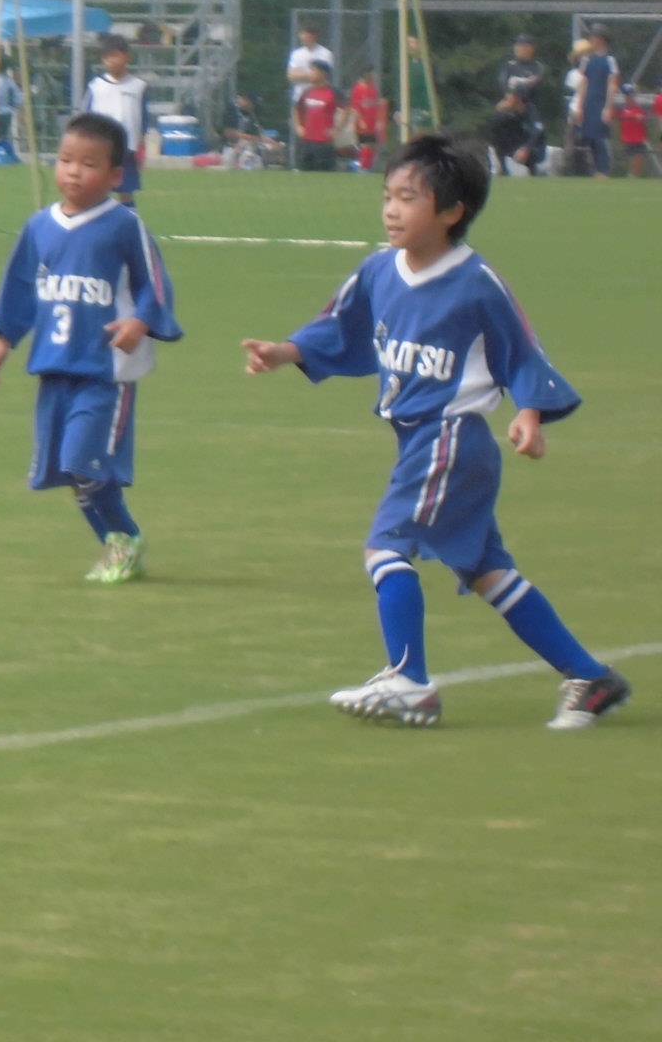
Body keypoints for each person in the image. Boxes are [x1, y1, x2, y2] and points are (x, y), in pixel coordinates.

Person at [242, 136, 631, 730]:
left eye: (410, 198)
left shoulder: (475, 282)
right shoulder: (378, 270)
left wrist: (529, 413)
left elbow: (521, 352)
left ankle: (409, 681)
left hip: (451, 438)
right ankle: (590, 676)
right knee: (486, 572)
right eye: (388, 196)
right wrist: (283, 350)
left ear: (452, 212)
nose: (392, 209)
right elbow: (338, 328)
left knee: (385, 546)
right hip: (420, 442)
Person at [0, 112, 182, 585]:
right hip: (55, 367)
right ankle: (118, 544)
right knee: (71, 472)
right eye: (66, 159)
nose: (73, 171)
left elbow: (156, 284)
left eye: (88, 163)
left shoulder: (123, 225)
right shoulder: (38, 227)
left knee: (82, 461)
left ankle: (125, 538)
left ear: (116, 176)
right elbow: (20, 288)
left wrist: (139, 320)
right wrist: (3, 341)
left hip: (105, 372)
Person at [80, 34, 148, 203]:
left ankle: (128, 224)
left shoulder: (139, 86)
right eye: (107, 57)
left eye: (115, 55)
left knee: (126, 191)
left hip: (127, 149)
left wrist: (140, 146)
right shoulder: (96, 86)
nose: (111, 60)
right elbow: (85, 117)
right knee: (99, 189)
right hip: (101, 149)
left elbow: (143, 119)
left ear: (127, 57)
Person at [572, 28, 619, 177]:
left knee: (599, 137)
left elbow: (612, 84)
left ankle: (603, 169)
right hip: (588, 103)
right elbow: (583, 84)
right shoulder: (587, 60)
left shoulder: (610, 60)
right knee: (587, 136)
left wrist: (608, 106)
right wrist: (579, 106)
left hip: (601, 103)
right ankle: (588, 170)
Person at [499, 34, 548, 171]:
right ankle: (502, 164)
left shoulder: (537, 67)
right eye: (517, 45)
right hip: (512, 107)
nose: (517, 48)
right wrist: (510, 96)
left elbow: (533, 84)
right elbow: (503, 84)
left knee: (535, 132)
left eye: (521, 45)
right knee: (499, 122)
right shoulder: (509, 66)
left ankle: (532, 163)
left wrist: (520, 85)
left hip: (530, 108)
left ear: (530, 48)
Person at [294, 74, 343, 172]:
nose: (310, 74)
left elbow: (346, 109)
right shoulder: (307, 91)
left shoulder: (333, 91)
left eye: (313, 71)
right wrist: (298, 126)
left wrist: (337, 128)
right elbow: (296, 108)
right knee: (304, 170)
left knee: (326, 171)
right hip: (307, 140)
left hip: (324, 141)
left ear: (323, 73)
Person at [347, 67, 389, 172]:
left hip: (372, 122)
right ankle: (362, 167)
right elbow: (355, 107)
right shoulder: (358, 89)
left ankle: (367, 166)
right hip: (363, 122)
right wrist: (360, 120)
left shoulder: (373, 88)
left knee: (373, 146)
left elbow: (375, 104)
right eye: (371, 75)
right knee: (366, 144)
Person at [486, 90, 537, 177]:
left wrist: (525, 148)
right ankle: (503, 169)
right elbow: (494, 134)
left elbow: (534, 130)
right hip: (506, 144)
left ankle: (531, 173)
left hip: (520, 143)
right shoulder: (501, 115)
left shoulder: (529, 111)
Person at [286, 24, 335, 102]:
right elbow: (291, 75)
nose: (302, 37)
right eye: (301, 34)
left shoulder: (325, 53)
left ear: (313, 36)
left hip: (319, 98)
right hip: (299, 97)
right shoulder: (296, 54)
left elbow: (322, 77)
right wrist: (310, 75)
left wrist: (301, 75)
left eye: (305, 35)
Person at [619, 84, 651, 178]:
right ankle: (631, 175)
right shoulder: (622, 110)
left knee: (638, 158)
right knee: (632, 159)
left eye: (631, 95)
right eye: (627, 96)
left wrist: (641, 119)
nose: (629, 98)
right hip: (628, 141)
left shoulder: (639, 109)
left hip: (638, 140)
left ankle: (633, 176)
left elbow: (645, 120)